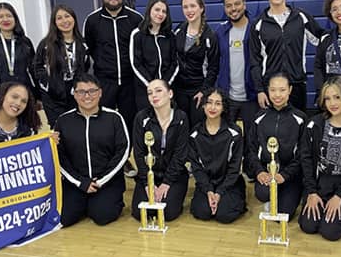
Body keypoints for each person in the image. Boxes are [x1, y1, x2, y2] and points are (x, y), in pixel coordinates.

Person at [83, 0, 143, 175]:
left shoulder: (136, 19)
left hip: (130, 82)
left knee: (128, 123)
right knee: (104, 123)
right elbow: (89, 49)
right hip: (104, 82)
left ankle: (125, 159)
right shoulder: (92, 21)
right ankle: (106, 161)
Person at [55, 73, 130, 227]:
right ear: (74, 94)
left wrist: (101, 181)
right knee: (65, 218)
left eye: (92, 91)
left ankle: (100, 202)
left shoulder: (114, 118)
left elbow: (123, 151)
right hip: (77, 182)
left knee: (103, 216)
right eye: (81, 92)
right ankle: (83, 203)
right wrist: (80, 182)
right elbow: (59, 157)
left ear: (100, 93)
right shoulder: (63, 121)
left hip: (106, 182)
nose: (87, 96)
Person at [298, 76, 341, 241]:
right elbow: (306, 160)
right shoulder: (314, 125)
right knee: (308, 226)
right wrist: (311, 191)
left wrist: (340, 196)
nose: (332, 103)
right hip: (319, 186)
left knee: (330, 232)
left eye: (338, 97)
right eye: (327, 98)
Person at [249, 0, 323, 112]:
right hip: (270, 88)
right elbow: (254, 61)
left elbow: (323, 39)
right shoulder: (258, 25)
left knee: (297, 129)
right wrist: (260, 90)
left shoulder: (301, 17)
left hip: (296, 85)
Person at [246, 72, 306, 219]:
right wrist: (259, 171)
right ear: (267, 90)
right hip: (267, 173)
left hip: (290, 176)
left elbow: (303, 154)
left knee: (283, 215)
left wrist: (284, 175)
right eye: (273, 90)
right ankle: (273, 197)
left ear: (290, 90)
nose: (277, 95)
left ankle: (290, 196)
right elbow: (251, 149)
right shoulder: (259, 117)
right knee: (262, 193)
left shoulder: (300, 118)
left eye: (282, 90)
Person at [131, 79, 189, 222]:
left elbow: (180, 154)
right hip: (150, 175)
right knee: (140, 213)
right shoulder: (141, 118)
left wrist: (166, 183)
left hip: (174, 175)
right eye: (150, 93)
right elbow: (138, 154)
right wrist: (147, 183)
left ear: (170, 93)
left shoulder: (181, 117)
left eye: (158, 91)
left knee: (167, 213)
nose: (153, 96)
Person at [216, 0, 259, 176]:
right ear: (225, 9)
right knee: (226, 136)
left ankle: (251, 171)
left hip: (251, 95)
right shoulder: (221, 32)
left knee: (252, 138)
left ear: (244, 4)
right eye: (229, 5)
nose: (233, 9)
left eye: (237, 4)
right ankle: (226, 170)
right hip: (228, 95)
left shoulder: (256, 28)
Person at [189, 88, 247, 223]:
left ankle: (237, 196)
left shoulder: (235, 133)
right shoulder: (194, 134)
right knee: (202, 212)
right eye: (209, 102)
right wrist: (209, 191)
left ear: (223, 108)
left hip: (229, 183)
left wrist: (220, 192)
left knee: (224, 215)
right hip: (206, 183)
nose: (213, 107)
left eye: (218, 103)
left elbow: (234, 168)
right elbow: (197, 168)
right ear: (203, 105)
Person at [34, 5, 90, 128]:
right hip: (53, 95)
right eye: (59, 18)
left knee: (77, 126)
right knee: (58, 129)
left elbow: (85, 66)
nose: (64, 21)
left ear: (74, 18)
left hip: (75, 92)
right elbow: (37, 67)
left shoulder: (82, 43)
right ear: (54, 22)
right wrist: (49, 85)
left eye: (67, 16)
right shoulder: (46, 44)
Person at [173, 0, 220, 127]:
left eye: (192, 6)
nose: (189, 10)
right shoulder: (179, 30)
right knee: (181, 128)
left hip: (198, 91)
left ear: (201, 8)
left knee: (197, 128)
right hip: (179, 90)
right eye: (185, 7)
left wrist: (204, 91)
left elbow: (213, 68)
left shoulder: (209, 36)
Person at [0, 2, 37, 97]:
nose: (5, 19)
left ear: (15, 18)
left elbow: (33, 69)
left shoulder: (25, 41)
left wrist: (38, 95)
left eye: (9, 16)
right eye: (0, 16)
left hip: (26, 93)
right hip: (2, 95)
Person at [130, 0, 176, 112]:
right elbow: (136, 63)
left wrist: (165, 85)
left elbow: (175, 63)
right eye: (157, 10)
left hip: (166, 90)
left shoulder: (170, 36)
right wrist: (152, 87)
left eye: (164, 11)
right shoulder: (137, 34)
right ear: (149, 10)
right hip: (145, 91)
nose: (160, 14)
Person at [0, 82, 41, 146]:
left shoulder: (30, 130)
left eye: (23, 101)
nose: (18, 103)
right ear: (2, 96)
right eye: (14, 97)